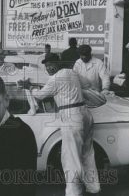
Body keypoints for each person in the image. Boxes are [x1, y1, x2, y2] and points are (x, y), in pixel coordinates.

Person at [18, 53, 100, 196]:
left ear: (58, 63)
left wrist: (29, 87)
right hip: (85, 113)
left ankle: (74, 193)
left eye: (51, 64)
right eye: (47, 65)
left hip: (71, 116)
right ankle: (94, 188)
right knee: (87, 153)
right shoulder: (71, 72)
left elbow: (40, 95)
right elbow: (87, 84)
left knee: (71, 157)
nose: (49, 68)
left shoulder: (56, 79)